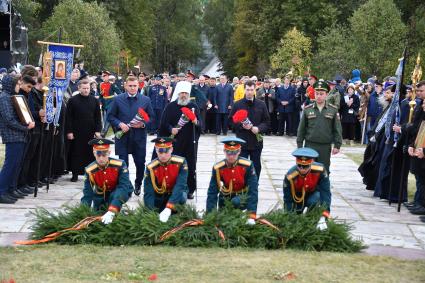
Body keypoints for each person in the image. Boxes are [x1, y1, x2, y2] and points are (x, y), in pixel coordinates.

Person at [107, 76, 154, 196]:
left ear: (138, 86)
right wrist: (119, 124)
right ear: (125, 86)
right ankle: (127, 186)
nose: (132, 88)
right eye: (130, 86)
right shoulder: (118, 99)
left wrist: (142, 124)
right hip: (123, 137)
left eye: (135, 86)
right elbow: (110, 116)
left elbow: (152, 118)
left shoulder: (145, 100)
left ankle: (138, 183)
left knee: (140, 163)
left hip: (139, 137)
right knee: (123, 164)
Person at [158, 81, 201, 199]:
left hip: (189, 141)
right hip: (175, 142)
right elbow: (163, 123)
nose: (183, 95)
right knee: (174, 165)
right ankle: (173, 188)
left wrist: (195, 121)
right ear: (178, 93)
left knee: (191, 165)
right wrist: (171, 129)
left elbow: (200, 124)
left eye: (186, 93)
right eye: (181, 93)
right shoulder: (170, 106)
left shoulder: (193, 107)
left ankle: (190, 189)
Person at [206, 137, 258, 225]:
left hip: (242, 198)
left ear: (239, 151)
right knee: (223, 223)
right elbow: (212, 192)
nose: (231, 156)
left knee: (236, 202)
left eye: (234, 153)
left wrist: (251, 215)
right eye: (228, 152)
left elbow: (253, 190)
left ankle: (240, 213)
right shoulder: (218, 167)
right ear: (224, 151)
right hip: (225, 199)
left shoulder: (247, 165)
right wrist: (210, 215)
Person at [0, 75, 35, 203]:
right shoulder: (3, 98)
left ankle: (9, 189)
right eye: (17, 84)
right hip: (12, 135)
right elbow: (9, 120)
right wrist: (25, 127)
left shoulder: (10, 97)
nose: (18, 86)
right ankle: (1, 191)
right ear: (10, 84)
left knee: (16, 164)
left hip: (18, 135)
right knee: (10, 165)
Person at [81, 138, 133, 224]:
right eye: (98, 155)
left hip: (121, 190)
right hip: (101, 193)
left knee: (114, 202)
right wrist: (82, 213)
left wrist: (113, 210)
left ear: (109, 153)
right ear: (94, 153)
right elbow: (87, 193)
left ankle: (115, 209)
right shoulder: (89, 170)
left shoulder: (120, 164)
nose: (101, 158)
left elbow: (123, 187)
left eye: (104, 155)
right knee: (98, 216)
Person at [297, 79, 342, 173]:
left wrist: (337, 145)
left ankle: (323, 188)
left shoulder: (332, 110)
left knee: (324, 171)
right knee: (308, 171)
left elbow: (337, 129)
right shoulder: (307, 109)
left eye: (321, 94)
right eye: (317, 93)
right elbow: (301, 129)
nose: (319, 96)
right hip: (309, 145)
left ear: (326, 94)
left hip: (325, 147)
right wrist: (300, 145)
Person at [229, 80, 270, 178]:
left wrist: (259, 128)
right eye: (247, 90)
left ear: (255, 90)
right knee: (241, 166)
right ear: (244, 90)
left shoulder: (261, 104)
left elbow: (267, 122)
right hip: (242, 141)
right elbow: (230, 121)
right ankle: (242, 187)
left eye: (252, 90)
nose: (250, 92)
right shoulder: (237, 104)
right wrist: (241, 125)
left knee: (256, 166)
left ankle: (254, 186)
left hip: (256, 141)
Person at [283, 147, 331, 230]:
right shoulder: (290, 176)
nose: (302, 169)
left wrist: (324, 215)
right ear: (296, 163)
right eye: (299, 165)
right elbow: (288, 199)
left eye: (305, 166)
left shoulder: (320, 170)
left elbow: (325, 193)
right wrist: (289, 216)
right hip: (297, 198)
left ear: (311, 163)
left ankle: (312, 220)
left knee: (314, 200)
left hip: (313, 194)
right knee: (295, 219)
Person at [144, 137, 188, 222]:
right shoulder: (151, 167)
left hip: (176, 194)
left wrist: (169, 207)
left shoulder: (181, 162)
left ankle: (174, 209)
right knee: (156, 207)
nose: (163, 155)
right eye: (160, 151)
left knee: (181, 197)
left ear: (171, 149)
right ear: (156, 151)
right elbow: (148, 192)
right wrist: (150, 214)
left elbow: (180, 185)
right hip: (160, 195)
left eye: (166, 151)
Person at [65, 79, 102, 182]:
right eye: (84, 88)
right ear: (79, 88)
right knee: (76, 152)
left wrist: (98, 130)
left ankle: (89, 173)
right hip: (76, 131)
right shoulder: (72, 100)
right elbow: (68, 117)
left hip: (90, 131)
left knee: (89, 153)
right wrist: (69, 131)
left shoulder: (94, 100)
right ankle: (75, 173)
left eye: (88, 88)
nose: (86, 90)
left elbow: (98, 117)